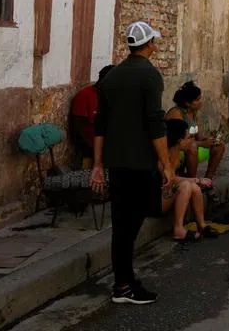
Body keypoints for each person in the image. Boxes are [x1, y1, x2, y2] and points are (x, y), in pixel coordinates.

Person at [90, 21, 174, 306]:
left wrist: (98, 165)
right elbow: (155, 124)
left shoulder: (111, 77)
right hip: (140, 164)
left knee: (121, 225)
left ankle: (123, 282)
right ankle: (124, 285)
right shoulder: (150, 76)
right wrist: (166, 164)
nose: (155, 46)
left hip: (116, 164)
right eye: (155, 42)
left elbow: (100, 124)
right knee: (130, 226)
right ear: (149, 44)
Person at [162, 119, 218, 242]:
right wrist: (197, 179)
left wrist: (196, 181)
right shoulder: (164, 155)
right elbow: (170, 179)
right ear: (179, 140)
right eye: (188, 138)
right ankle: (178, 230)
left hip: (165, 194)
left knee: (194, 187)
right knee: (187, 185)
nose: (191, 141)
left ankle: (201, 225)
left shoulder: (176, 152)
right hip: (155, 200)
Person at [165, 81, 225, 188]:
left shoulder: (194, 113)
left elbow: (199, 136)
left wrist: (210, 140)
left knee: (219, 145)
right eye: (197, 100)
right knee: (192, 146)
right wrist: (201, 143)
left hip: (192, 147)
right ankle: (193, 181)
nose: (200, 102)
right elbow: (179, 142)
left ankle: (207, 180)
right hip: (177, 150)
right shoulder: (176, 113)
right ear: (188, 103)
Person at [70, 64, 113, 163]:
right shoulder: (84, 95)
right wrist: (92, 147)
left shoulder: (109, 95)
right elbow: (78, 127)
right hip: (92, 144)